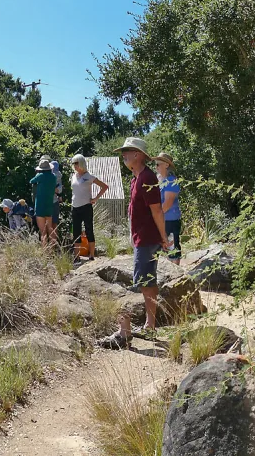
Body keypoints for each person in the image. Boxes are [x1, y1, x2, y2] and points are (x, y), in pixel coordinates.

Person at [99, 137, 173, 350]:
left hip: (149, 239)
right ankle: (149, 326)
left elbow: (157, 210)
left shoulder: (148, 177)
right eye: (123, 151)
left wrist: (163, 237)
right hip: (142, 238)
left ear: (138, 154)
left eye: (127, 151)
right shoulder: (136, 179)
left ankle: (125, 331)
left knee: (139, 283)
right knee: (148, 282)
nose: (123, 155)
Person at [68, 154, 110, 261]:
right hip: (75, 206)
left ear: (81, 163)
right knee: (76, 231)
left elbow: (105, 187)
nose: (75, 165)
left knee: (89, 230)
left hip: (86, 206)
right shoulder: (73, 176)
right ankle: (76, 257)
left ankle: (91, 255)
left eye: (76, 163)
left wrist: (95, 198)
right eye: (73, 163)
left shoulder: (89, 176)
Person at [155, 152, 182, 261]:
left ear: (166, 165)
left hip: (170, 220)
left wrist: (155, 217)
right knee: (160, 248)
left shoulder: (172, 181)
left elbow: (167, 204)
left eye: (158, 164)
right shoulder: (158, 179)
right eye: (155, 164)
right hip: (161, 219)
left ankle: (176, 274)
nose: (155, 166)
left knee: (172, 248)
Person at [29, 159, 59, 248]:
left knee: (43, 232)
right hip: (49, 206)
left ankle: (45, 252)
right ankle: (52, 250)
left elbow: (31, 181)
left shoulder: (40, 176)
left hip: (40, 207)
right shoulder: (53, 177)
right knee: (50, 229)